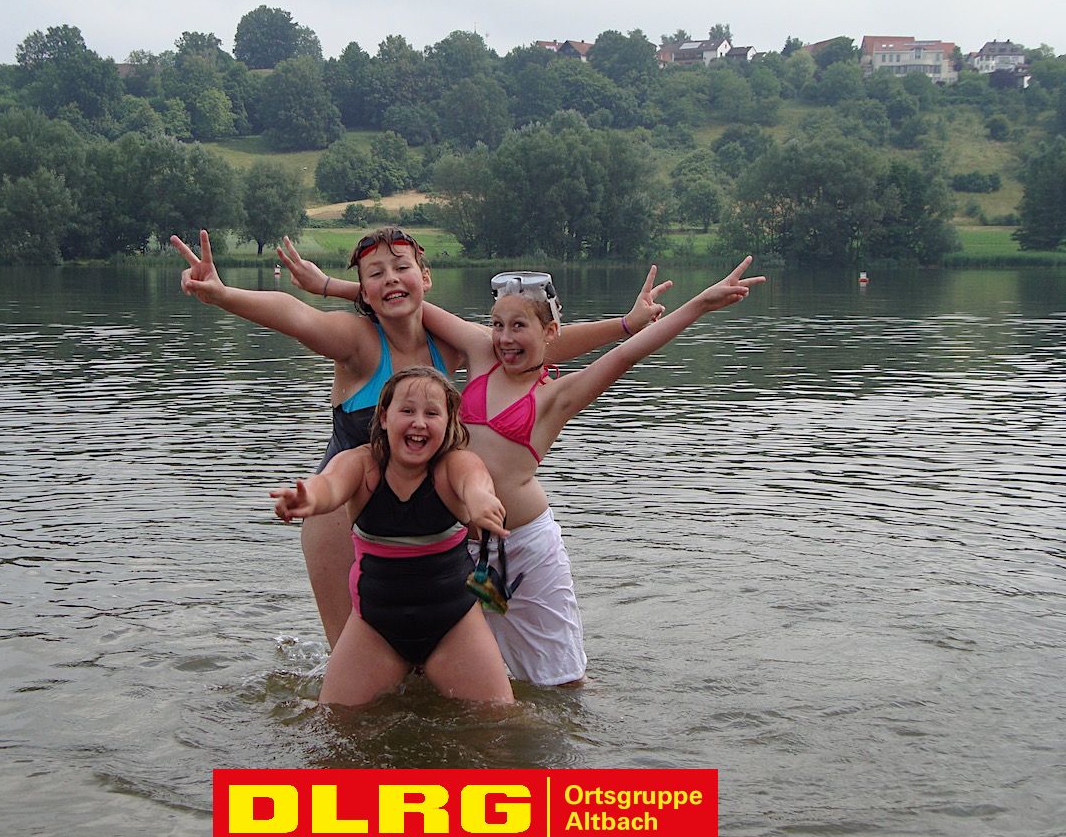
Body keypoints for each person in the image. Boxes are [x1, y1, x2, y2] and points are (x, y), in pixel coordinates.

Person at [286, 249, 763, 686]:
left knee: (560, 676)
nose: (505, 338)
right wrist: (330, 286)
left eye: (519, 327)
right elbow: (407, 303)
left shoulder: (556, 396)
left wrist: (698, 305)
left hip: (526, 549)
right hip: (463, 550)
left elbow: (629, 354)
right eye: (498, 325)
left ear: (550, 334)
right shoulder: (480, 356)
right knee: (454, 668)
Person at [176, 226, 669, 649]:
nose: (391, 278)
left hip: (422, 515)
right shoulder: (357, 341)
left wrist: (626, 325)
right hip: (343, 509)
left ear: (424, 278)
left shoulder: (449, 344)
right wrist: (223, 295)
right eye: (376, 274)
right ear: (364, 290)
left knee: (425, 658)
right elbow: (297, 316)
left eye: (401, 268)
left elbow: (532, 342)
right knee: (350, 654)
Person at [271, 366, 514, 706]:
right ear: (385, 417)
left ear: (449, 422)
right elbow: (330, 483)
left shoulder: (455, 465)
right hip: (374, 628)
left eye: (432, 413)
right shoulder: (362, 465)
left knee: (499, 722)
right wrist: (309, 498)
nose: (419, 423)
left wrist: (480, 502)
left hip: (455, 625)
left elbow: (475, 483)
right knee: (335, 723)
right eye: (407, 411)